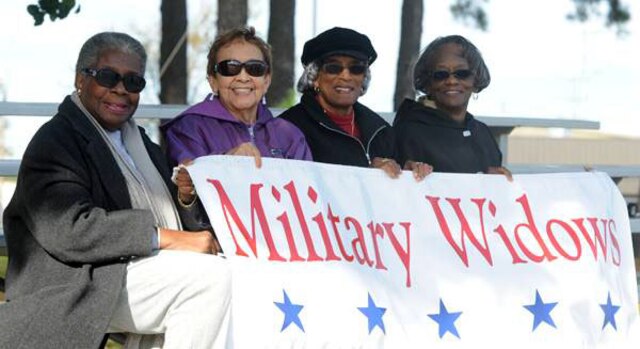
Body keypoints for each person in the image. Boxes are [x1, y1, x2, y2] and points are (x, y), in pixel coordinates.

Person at [0, 32, 230, 349]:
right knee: (209, 282)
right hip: (75, 283)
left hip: (127, 270)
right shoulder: (56, 141)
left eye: (134, 82)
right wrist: (168, 237)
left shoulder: (141, 146)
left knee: (229, 275)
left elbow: (179, 217)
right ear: (81, 79)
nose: (121, 89)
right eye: (109, 77)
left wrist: (186, 197)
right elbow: (71, 230)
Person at [162, 27, 312, 204]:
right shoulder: (189, 128)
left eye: (255, 68)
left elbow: (308, 199)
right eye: (230, 68)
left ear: (267, 81)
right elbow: (188, 205)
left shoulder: (289, 135)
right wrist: (226, 163)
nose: (243, 77)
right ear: (213, 81)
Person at [279, 27, 430, 180]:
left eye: (356, 68)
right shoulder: (287, 127)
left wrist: (407, 173)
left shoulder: (382, 131)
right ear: (314, 77)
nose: (346, 76)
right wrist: (366, 172)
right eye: (334, 68)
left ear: (364, 78)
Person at [393, 35, 511, 177]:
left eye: (462, 73)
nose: (451, 81)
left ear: (476, 79)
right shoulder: (407, 132)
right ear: (427, 82)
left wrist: (495, 180)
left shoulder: (483, 134)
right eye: (441, 74)